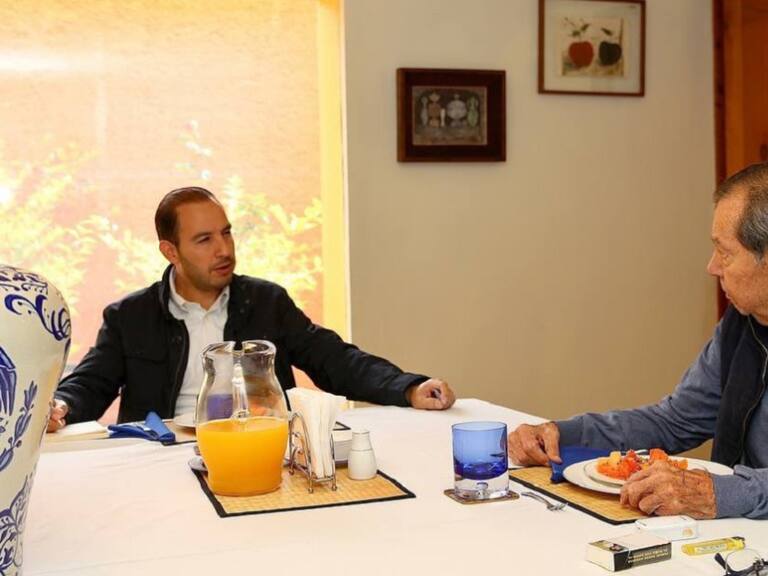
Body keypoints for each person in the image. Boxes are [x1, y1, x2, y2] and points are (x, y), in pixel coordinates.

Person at [49, 187, 455, 429]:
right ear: (170, 251)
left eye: (226, 233)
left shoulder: (267, 302)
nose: (224, 249)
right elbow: (90, 384)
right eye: (204, 240)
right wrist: (60, 408)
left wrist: (407, 387)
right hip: (161, 460)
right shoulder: (130, 316)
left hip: (259, 449)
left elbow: (335, 360)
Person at [507, 162, 768, 520]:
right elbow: (675, 421)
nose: (712, 267)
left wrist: (722, 494)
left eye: (725, 253)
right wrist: (561, 434)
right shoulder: (741, 325)